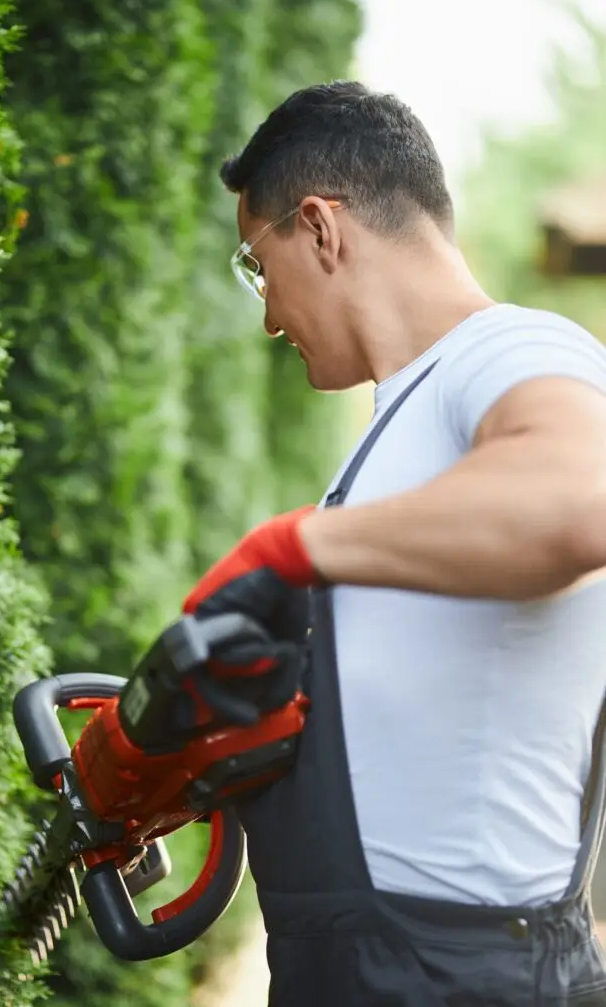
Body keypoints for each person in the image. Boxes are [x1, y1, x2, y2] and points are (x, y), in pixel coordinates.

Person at [182, 80, 606, 1005]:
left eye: (259, 266)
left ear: (322, 228)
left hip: (461, 978)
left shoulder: (513, 350)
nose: (268, 315)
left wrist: (288, 549)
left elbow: (583, 501)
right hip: (380, 966)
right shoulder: (402, 425)